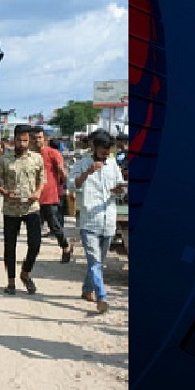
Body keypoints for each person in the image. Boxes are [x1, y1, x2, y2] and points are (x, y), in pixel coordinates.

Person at [68, 129, 126, 313]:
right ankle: (102, 296)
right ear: (93, 147)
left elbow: (120, 185)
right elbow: (71, 185)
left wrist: (119, 190)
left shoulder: (113, 165)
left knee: (98, 260)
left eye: (108, 152)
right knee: (94, 261)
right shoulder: (82, 164)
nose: (106, 154)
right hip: (89, 222)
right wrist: (87, 173)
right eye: (103, 151)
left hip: (108, 220)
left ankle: (87, 289)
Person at [0, 124, 45, 295]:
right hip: (11, 209)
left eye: (25, 140)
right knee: (10, 246)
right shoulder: (3, 159)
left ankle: (25, 273)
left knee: (35, 244)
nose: (22, 144)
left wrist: (37, 192)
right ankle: (11, 282)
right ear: (14, 140)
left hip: (31, 207)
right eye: (19, 140)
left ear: (29, 141)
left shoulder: (37, 158)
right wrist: (6, 193)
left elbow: (41, 180)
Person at [33, 128, 73, 262]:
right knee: (34, 228)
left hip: (50, 196)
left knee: (54, 225)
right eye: (35, 138)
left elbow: (62, 171)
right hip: (34, 197)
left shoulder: (53, 153)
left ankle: (65, 246)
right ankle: (32, 256)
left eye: (39, 137)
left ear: (45, 139)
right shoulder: (31, 155)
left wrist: (69, 187)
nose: (37, 140)